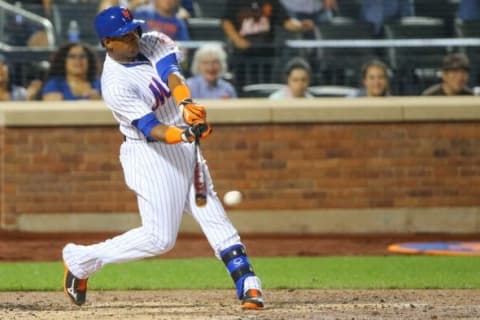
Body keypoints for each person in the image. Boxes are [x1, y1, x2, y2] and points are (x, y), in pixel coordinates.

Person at [62, 6, 264, 310]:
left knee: (209, 208)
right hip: (149, 154)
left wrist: (186, 106)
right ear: (107, 43)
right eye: (124, 36)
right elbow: (149, 127)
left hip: (182, 144)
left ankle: (247, 281)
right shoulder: (114, 83)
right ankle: (81, 260)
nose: (133, 38)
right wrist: (183, 134)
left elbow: (171, 74)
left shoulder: (153, 40)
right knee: (160, 239)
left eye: (134, 31)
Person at [222, 0, 310, 89]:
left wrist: (300, 26)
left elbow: (285, 20)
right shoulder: (234, 2)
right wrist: (237, 39)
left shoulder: (272, 2)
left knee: (265, 85)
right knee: (242, 85)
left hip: (266, 53)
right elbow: (226, 21)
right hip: (243, 55)